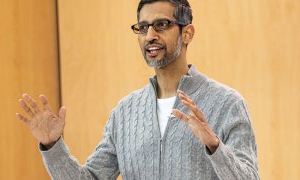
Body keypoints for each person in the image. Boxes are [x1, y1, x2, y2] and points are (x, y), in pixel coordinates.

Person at [16, 0, 259, 179]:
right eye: (143, 28)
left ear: (187, 33)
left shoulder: (227, 103)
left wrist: (214, 146)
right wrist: (53, 147)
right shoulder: (125, 112)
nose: (150, 36)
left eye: (161, 25)